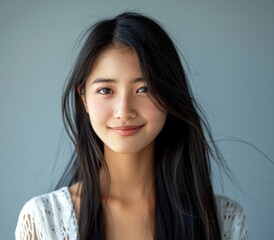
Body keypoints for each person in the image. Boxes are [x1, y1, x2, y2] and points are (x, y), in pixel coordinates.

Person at [15, 12, 248, 240]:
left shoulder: (223, 221)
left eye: (143, 89)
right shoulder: (42, 221)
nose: (124, 111)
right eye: (106, 90)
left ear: (169, 95)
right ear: (84, 99)